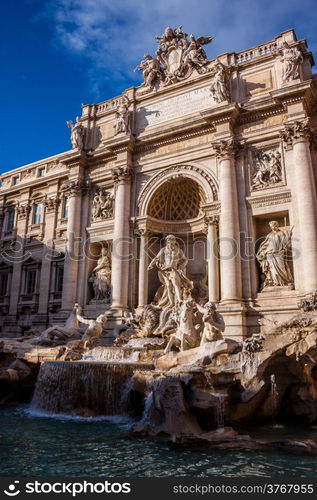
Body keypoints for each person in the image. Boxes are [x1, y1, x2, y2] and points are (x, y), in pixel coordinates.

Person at [148, 234, 193, 307]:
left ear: (174, 241)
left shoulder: (178, 250)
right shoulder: (163, 250)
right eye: (169, 240)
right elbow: (156, 258)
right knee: (169, 286)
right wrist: (151, 264)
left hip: (173, 269)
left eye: (173, 240)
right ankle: (172, 303)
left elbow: (185, 259)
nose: (171, 242)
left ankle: (179, 300)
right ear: (167, 241)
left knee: (176, 284)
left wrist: (182, 265)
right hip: (165, 270)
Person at [256, 221, 293, 288]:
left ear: (277, 226)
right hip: (270, 254)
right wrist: (262, 251)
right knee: (272, 270)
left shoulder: (281, 233)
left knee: (282, 268)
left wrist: (288, 237)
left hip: (279, 253)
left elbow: (285, 244)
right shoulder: (269, 235)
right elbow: (265, 244)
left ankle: (285, 282)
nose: (273, 227)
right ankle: (275, 283)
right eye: (271, 226)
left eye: (274, 225)